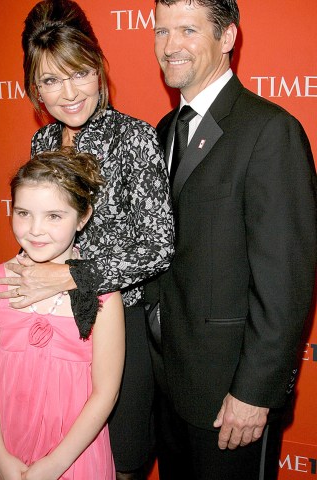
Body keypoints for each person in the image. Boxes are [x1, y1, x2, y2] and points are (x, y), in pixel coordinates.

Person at [0, 1, 175, 479]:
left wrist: (70, 275)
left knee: (125, 457)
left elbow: (158, 244)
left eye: (79, 73)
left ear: (99, 70)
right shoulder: (43, 143)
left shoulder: (135, 137)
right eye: (51, 80)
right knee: (48, 444)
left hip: (119, 321)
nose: (69, 93)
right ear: (34, 88)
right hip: (52, 323)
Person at [145, 1, 317, 479]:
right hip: (170, 387)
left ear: (227, 38)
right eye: (161, 31)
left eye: (187, 30)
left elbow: (285, 283)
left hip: (230, 398)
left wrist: (254, 394)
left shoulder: (270, 131)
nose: (170, 45)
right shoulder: (164, 130)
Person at [0, 149, 125, 479]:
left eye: (54, 216)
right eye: (24, 213)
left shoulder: (103, 297)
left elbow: (106, 391)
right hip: (8, 448)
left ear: (82, 217)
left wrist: (55, 465)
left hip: (75, 455)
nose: (35, 230)